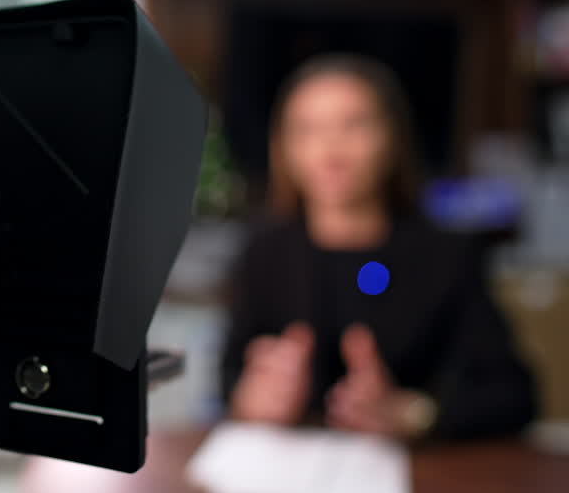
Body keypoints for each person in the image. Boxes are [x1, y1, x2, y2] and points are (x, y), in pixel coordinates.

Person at [222, 54, 537, 440]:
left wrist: (414, 412)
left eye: (354, 125)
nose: (330, 150)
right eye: (306, 129)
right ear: (283, 147)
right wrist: (253, 400)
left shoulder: (447, 255)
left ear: (393, 138)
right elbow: (230, 378)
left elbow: (514, 396)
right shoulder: (263, 252)